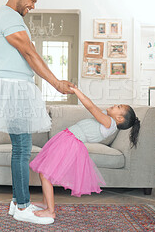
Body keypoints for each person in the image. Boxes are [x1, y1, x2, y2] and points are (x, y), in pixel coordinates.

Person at [0, 0, 75, 225]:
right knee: (21, 149)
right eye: (32, 0)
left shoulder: (11, 18)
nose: (33, 6)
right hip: (13, 88)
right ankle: (22, 206)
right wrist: (57, 83)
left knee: (21, 148)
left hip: (16, 86)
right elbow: (30, 53)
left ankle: (16, 202)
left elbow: (28, 53)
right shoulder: (8, 16)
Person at [29, 86, 141, 219]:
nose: (115, 105)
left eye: (119, 106)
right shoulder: (109, 120)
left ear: (119, 118)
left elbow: (91, 107)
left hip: (69, 142)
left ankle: (50, 211)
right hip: (67, 138)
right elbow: (99, 109)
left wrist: (76, 91)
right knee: (44, 172)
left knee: (45, 174)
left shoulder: (109, 122)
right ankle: (45, 202)